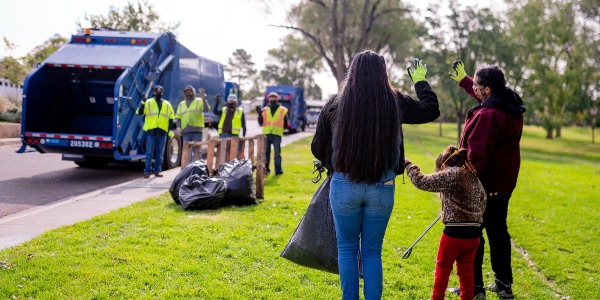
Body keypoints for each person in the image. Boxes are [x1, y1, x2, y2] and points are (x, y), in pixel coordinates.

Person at [311, 50, 439, 300]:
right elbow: (430, 110)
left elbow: (318, 145)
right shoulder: (395, 102)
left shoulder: (336, 103)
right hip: (383, 184)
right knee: (372, 252)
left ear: (353, 72)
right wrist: (420, 80)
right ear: (384, 73)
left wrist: (334, 164)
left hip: (344, 183)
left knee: (346, 250)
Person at [447, 60, 526, 299]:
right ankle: (504, 285)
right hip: (503, 185)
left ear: (488, 90)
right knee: (498, 231)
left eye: (477, 87)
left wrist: (461, 183)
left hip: (483, 186)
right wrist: (465, 80)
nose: (476, 91)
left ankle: (474, 288)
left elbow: (477, 158)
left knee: (473, 235)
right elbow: (486, 96)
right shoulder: (509, 104)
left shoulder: (488, 115)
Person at [404, 145, 487, 300]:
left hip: (454, 235)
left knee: (443, 269)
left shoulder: (450, 173)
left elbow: (422, 181)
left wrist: (409, 165)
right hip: (474, 234)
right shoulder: (472, 175)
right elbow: (483, 200)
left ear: (443, 165)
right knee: (467, 271)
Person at [137, 85, 175, 178]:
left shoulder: (167, 104)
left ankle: (157, 171)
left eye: (161, 92)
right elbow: (140, 112)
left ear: (163, 93)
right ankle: (147, 171)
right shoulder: (148, 102)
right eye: (157, 92)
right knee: (149, 152)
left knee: (160, 153)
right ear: (154, 92)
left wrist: (170, 130)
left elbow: (171, 119)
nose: (159, 93)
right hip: (151, 132)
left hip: (162, 133)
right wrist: (143, 102)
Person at [257, 92, 289, 175]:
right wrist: (259, 115)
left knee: (277, 154)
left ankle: (278, 171)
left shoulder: (282, 110)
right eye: (271, 98)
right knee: (266, 153)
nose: (272, 99)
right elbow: (261, 122)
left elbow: (285, 124)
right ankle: (266, 170)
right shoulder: (264, 110)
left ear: (277, 99)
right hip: (267, 134)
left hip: (277, 134)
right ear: (268, 99)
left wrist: (280, 129)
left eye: (274, 98)